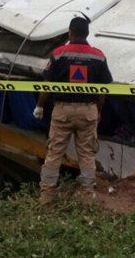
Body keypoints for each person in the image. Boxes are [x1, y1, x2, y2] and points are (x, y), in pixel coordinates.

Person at [34, 17, 113, 204]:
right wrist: (98, 111)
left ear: (70, 33)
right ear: (87, 33)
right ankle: (87, 196)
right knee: (86, 155)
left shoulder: (59, 54)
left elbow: (48, 85)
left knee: (54, 154)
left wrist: (40, 106)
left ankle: (46, 196)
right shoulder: (99, 56)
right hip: (88, 111)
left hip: (62, 111)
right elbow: (102, 90)